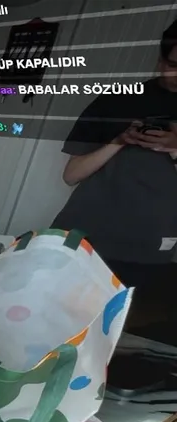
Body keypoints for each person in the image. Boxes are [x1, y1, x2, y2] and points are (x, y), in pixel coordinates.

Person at [53, 19, 177, 329]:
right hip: (79, 239)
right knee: (49, 322)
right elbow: (71, 175)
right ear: (160, 59)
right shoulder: (116, 100)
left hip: (147, 252)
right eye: (172, 64)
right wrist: (119, 141)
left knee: (115, 335)